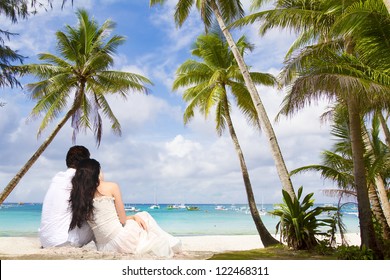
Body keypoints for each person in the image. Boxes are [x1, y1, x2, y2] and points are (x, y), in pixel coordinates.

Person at [69, 158, 181, 258]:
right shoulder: (111, 186)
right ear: (96, 172)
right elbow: (122, 220)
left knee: (139, 218)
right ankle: (171, 243)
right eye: (100, 170)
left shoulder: (79, 196)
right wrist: (132, 217)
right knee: (144, 215)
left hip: (103, 246)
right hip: (120, 240)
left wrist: (132, 217)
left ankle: (168, 242)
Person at [38, 146, 94, 248]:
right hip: (62, 241)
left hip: (45, 240)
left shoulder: (57, 178)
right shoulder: (79, 180)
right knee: (98, 220)